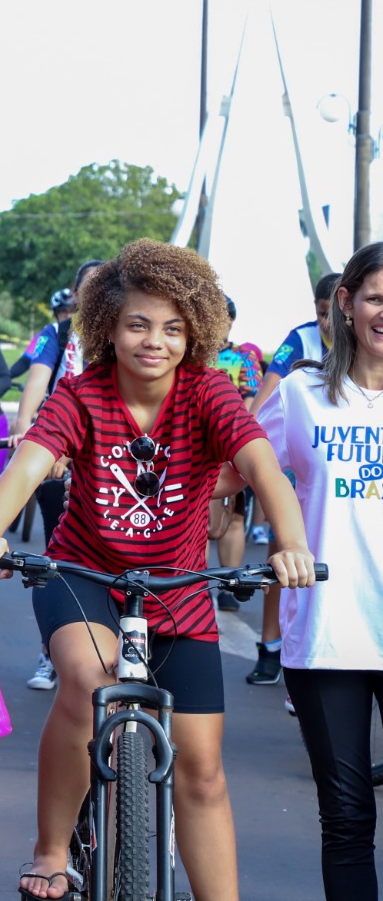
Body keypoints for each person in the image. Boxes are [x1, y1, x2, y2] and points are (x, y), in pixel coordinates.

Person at [0, 239, 318, 901]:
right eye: (137, 324)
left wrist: (289, 543)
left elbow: (260, 465)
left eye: (172, 327)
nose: (153, 341)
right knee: (87, 681)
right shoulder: (81, 394)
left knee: (204, 771)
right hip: (85, 577)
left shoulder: (209, 391)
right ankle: (51, 848)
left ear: (196, 333)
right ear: (107, 325)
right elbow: (29, 466)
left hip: (180, 589)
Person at [249, 242, 383, 900]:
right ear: (347, 305)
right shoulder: (299, 394)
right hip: (329, 635)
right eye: (377, 297)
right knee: (350, 816)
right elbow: (226, 471)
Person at [243, 272, 342, 687]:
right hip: (300, 455)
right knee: (285, 552)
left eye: (332, 313)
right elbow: (270, 391)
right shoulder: (301, 341)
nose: (327, 322)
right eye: (321, 313)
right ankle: (271, 646)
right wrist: (246, 444)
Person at [11, 260, 104, 692]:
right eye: (88, 287)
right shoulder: (59, 334)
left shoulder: (130, 332)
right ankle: (51, 653)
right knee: (57, 557)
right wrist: (26, 429)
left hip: (117, 461)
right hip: (60, 451)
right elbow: (37, 383)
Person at [208, 296, 262, 613]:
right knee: (194, 514)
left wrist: (239, 439)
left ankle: (229, 585)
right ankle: (195, 584)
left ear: (230, 322)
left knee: (235, 516)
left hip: (233, 445)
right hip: (195, 445)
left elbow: (253, 397)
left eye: (222, 318)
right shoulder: (191, 353)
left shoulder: (244, 357)